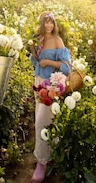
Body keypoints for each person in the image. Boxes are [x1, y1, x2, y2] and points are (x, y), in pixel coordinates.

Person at [29, 11, 71, 182]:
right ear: (41, 24)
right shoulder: (40, 40)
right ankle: (52, 153)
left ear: (54, 24)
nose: (48, 26)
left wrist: (49, 63)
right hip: (38, 83)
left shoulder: (57, 40)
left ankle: (42, 162)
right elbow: (36, 64)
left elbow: (67, 67)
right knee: (44, 120)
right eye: (45, 22)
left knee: (42, 122)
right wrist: (34, 56)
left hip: (51, 85)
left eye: (51, 23)